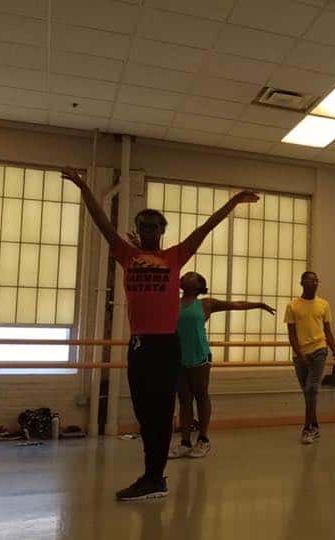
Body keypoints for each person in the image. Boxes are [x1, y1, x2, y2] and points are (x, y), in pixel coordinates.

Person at [62, 168, 258, 501]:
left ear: (162, 231)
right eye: (143, 226)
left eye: (154, 226)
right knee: (144, 412)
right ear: (138, 230)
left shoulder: (174, 257)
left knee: (163, 411)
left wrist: (234, 202)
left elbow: (206, 228)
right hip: (139, 345)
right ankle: (152, 475)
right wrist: (83, 186)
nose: (148, 230)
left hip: (167, 345)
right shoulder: (127, 255)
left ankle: (155, 478)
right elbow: (100, 222)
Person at [168, 272, 275, 459]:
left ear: (198, 286)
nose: (187, 275)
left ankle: (203, 439)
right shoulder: (172, 302)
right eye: (186, 274)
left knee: (201, 396)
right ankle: (185, 442)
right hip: (179, 357)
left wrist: (258, 304)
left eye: (192, 276)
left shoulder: (205, 304)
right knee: (184, 400)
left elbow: (236, 305)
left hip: (200, 356)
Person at [285, 271, 335, 444]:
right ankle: (315, 425)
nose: (314, 283)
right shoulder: (293, 306)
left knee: (312, 389)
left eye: (316, 280)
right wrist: (300, 354)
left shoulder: (323, 304)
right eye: (310, 280)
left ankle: (307, 428)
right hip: (300, 353)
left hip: (319, 350)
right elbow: (291, 334)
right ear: (302, 282)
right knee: (307, 392)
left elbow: (327, 331)